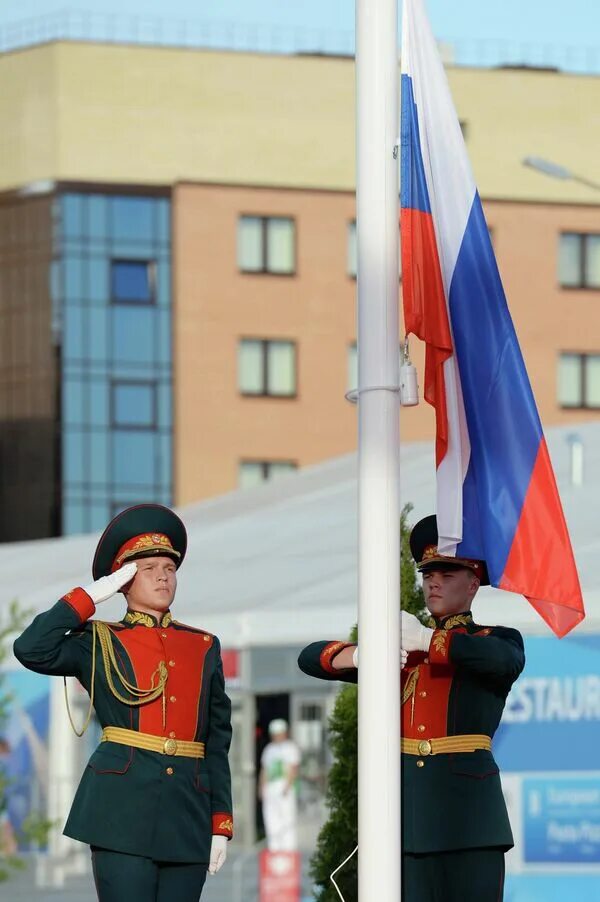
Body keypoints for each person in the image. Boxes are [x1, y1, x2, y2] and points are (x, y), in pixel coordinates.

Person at [298, 514, 525, 902]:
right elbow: (310, 658)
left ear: (473, 584)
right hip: (408, 820)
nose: (433, 581)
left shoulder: (494, 639)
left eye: (447, 573)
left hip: (469, 822)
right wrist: (361, 655)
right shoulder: (399, 652)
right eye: (427, 574)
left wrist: (427, 638)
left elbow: (502, 660)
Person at [13, 504, 233, 902]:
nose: (163, 576)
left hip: (188, 811)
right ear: (124, 581)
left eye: (169, 568)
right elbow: (31, 649)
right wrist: (89, 597)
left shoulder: (203, 646)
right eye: (148, 569)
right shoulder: (98, 641)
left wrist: (221, 821)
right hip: (121, 811)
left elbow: (217, 741)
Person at [259, 719, 300, 851]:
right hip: (271, 789)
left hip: (285, 789)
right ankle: (274, 849)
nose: (277, 736)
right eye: (274, 734)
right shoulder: (269, 749)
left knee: (287, 820)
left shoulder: (291, 747)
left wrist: (287, 787)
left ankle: (288, 850)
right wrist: (261, 788)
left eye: (279, 733)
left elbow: (294, 768)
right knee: (271, 820)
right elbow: (264, 770)